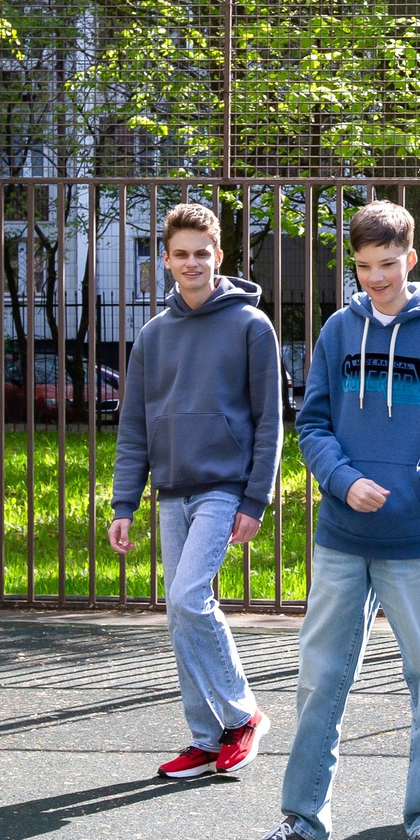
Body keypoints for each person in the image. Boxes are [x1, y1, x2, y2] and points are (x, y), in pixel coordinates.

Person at [238, 202, 420, 840]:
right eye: (364, 266)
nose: (376, 278)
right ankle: (303, 825)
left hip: (416, 541)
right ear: (354, 262)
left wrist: (411, 490)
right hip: (341, 537)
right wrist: (343, 482)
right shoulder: (338, 330)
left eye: (388, 264)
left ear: (410, 259)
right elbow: (312, 421)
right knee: (321, 681)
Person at [108, 201, 284, 780]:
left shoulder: (251, 327)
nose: (192, 263)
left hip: (223, 488)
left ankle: (242, 715)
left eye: (201, 254)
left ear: (219, 257)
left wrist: (255, 498)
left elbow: (269, 420)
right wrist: (124, 504)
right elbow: (133, 426)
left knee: (189, 598)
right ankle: (206, 738)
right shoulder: (153, 336)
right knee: (178, 615)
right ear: (164, 260)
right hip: (170, 492)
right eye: (180, 254)